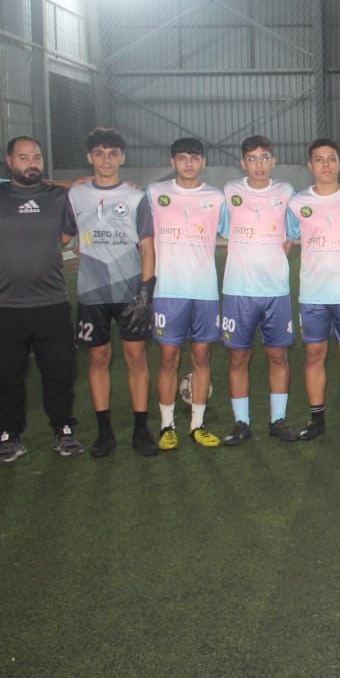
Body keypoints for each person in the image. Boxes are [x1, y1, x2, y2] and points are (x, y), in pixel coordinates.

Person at [0, 136, 80, 463]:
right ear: (9, 162)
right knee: (6, 376)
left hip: (51, 302)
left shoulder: (58, 197)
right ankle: (9, 435)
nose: (32, 162)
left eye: (36, 156)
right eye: (23, 157)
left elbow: (69, 233)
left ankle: (63, 429)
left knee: (59, 372)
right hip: (5, 306)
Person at [68, 128, 158, 458]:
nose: (106, 160)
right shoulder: (76, 195)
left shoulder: (136, 197)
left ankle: (140, 430)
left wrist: (145, 293)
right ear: (89, 157)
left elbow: (147, 246)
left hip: (130, 291)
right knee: (98, 359)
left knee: (136, 358)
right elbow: (64, 233)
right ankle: (104, 432)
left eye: (113, 153)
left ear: (123, 157)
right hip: (92, 292)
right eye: (100, 153)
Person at [287, 139, 340, 439]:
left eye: (331, 158)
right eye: (319, 159)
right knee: (314, 355)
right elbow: (285, 237)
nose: (325, 164)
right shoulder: (297, 202)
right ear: (309, 165)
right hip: (313, 293)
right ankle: (316, 419)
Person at [148, 137, 228, 451]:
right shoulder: (155, 193)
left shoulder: (216, 197)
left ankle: (197, 425)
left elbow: (237, 227)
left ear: (203, 162)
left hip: (204, 291)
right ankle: (167, 426)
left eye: (194, 158)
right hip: (168, 290)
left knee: (202, 357)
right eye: (182, 158)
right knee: (168, 357)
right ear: (173, 162)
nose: (189, 163)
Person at [219, 136, 297, 446]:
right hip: (238, 289)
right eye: (252, 159)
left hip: (276, 290)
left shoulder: (286, 192)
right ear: (243, 163)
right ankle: (242, 423)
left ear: (273, 161)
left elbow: (292, 234)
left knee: (277, 355)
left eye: (264, 157)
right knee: (238, 357)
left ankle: (278, 420)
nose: (259, 164)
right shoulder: (230, 192)